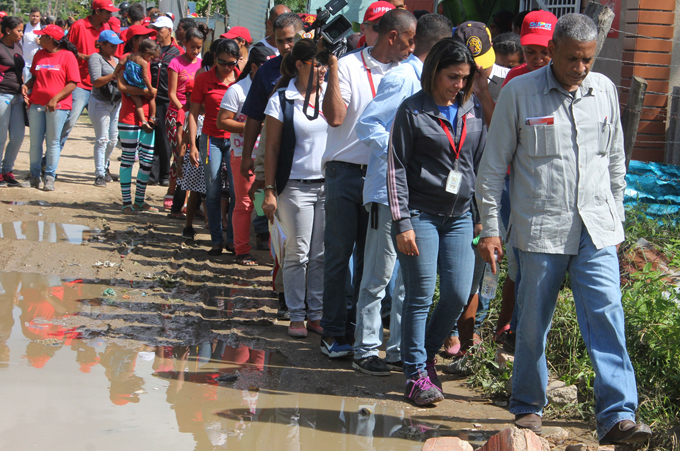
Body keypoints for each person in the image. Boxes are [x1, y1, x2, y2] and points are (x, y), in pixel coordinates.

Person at [475, 13, 653, 446]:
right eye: (572, 58)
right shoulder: (520, 93)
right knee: (534, 321)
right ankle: (528, 406)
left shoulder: (605, 90)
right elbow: (492, 168)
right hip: (540, 230)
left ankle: (616, 415)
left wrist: (617, 221)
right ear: (552, 50)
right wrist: (492, 230)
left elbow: (615, 162)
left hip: (597, 229)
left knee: (608, 314)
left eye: (588, 60)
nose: (580, 68)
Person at [387, 37, 485, 405]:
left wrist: (479, 218)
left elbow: (477, 165)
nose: (458, 85)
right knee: (420, 294)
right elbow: (395, 168)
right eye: (452, 76)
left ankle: (424, 355)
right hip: (420, 216)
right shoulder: (412, 111)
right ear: (434, 73)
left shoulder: (471, 111)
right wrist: (402, 223)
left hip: (460, 217)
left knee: (459, 293)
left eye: (464, 77)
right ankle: (414, 375)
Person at [353, 13, 452, 375]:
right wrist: (400, 150)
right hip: (386, 193)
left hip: (419, 199)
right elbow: (368, 124)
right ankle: (365, 349)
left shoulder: (434, 84)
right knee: (379, 276)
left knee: (410, 282)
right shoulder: (402, 77)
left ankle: (396, 349)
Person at [320, 8, 416, 359]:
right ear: (392, 36)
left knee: (371, 263)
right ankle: (333, 333)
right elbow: (335, 117)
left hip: (385, 177)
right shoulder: (346, 66)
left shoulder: (409, 73)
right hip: (346, 171)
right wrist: (331, 68)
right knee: (339, 254)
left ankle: (363, 337)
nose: (412, 47)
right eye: (408, 40)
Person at [261, 39, 328, 337]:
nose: (323, 70)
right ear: (300, 65)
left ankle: (316, 314)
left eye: (326, 64)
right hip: (294, 188)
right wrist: (270, 190)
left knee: (320, 254)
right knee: (297, 253)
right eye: (318, 64)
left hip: (327, 187)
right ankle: (296, 315)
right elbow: (272, 148)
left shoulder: (330, 95)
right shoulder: (281, 100)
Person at [241, 12, 304, 250]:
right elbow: (254, 116)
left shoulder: (318, 67)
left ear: (302, 35)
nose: (286, 46)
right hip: (273, 147)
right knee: (264, 194)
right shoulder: (268, 71)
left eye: (290, 39)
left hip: (307, 154)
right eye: (280, 41)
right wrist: (247, 154)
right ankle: (263, 231)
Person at [217, 45, 275, 266]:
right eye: (266, 66)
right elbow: (222, 121)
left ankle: (274, 253)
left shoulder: (275, 87)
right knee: (244, 203)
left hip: (267, 155)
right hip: (243, 154)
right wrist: (252, 127)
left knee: (265, 204)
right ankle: (241, 250)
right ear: (254, 67)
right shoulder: (237, 90)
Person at [187, 39, 240, 255]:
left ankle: (235, 240)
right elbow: (192, 113)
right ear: (215, 58)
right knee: (212, 190)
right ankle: (216, 240)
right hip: (210, 139)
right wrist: (192, 145)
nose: (228, 67)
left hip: (237, 140)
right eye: (223, 62)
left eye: (232, 63)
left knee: (237, 192)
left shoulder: (241, 78)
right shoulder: (203, 79)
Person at [22, 24, 80, 192]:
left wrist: (55, 99)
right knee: (34, 142)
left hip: (58, 106)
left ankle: (49, 176)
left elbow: (73, 83)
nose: (39, 39)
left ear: (51, 39)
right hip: (36, 103)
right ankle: (34, 176)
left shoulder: (67, 56)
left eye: (43, 36)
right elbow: (35, 76)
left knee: (53, 142)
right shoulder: (39, 55)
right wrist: (27, 85)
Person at [61, 0, 118, 152]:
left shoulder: (108, 28)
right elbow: (66, 51)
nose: (110, 15)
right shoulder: (79, 25)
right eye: (107, 12)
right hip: (80, 83)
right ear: (97, 11)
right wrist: (83, 56)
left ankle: (103, 170)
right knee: (68, 123)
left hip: (102, 86)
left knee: (108, 133)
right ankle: (48, 161)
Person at [116, 26, 159, 214]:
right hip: (128, 117)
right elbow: (120, 86)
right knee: (128, 159)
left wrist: (145, 92)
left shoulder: (138, 61)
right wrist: (145, 91)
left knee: (147, 161)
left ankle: (139, 201)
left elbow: (126, 87)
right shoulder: (128, 59)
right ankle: (127, 203)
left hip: (147, 117)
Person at [164, 26, 204, 229]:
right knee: (180, 154)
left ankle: (192, 203)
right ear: (184, 44)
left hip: (195, 114)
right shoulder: (175, 62)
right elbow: (171, 93)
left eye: (199, 47)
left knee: (194, 158)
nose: (195, 51)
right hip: (177, 113)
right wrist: (184, 111)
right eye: (192, 47)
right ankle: (174, 200)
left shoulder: (202, 64)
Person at [148, 15, 184, 189]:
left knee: (163, 138)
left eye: (159, 29)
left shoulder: (177, 52)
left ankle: (164, 173)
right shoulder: (152, 50)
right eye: (155, 29)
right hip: (151, 99)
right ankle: (152, 174)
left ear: (169, 31)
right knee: (151, 136)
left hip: (166, 100)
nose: (157, 33)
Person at [88, 29, 123, 187]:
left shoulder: (116, 59)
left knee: (113, 139)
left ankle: (106, 166)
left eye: (116, 45)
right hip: (100, 102)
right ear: (101, 44)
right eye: (111, 45)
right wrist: (114, 75)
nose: (114, 48)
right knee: (102, 139)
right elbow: (96, 81)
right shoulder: (96, 57)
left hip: (115, 102)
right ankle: (99, 174)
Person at [0, 16, 26, 188]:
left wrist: (23, 85)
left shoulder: (18, 45)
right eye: (19, 30)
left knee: (18, 136)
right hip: (2, 96)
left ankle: (7, 171)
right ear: (8, 30)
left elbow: (20, 70)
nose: (22, 34)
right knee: (0, 137)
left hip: (17, 96)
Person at [502, 10, 557, 87]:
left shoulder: (565, 78)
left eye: (545, 52)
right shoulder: (515, 76)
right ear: (522, 49)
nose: (538, 60)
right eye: (530, 52)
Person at [122, 38, 159, 130]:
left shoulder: (129, 56)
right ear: (146, 52)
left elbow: (120, 63)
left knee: (138, 103)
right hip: (140, 85)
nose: (150, 60)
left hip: (130, 84)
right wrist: (150, 89)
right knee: (152, 98)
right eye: (151, 57)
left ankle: (143, 121)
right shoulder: (144, 62)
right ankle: (152, 117)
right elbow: (145, 77)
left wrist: (114, 74)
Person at [22, 7, 41, 82]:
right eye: (33, 16)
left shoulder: (42, 28)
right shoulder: (24, 28)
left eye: (37, 16)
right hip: (26, 62)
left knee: (37, 83)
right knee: (26, 84)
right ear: (29, 16)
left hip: (38, 62)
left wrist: (40, 42)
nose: (35, 18)